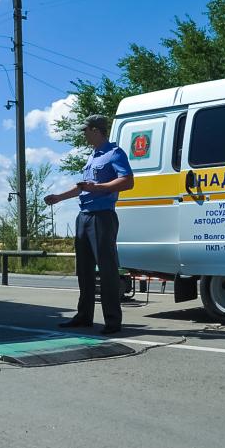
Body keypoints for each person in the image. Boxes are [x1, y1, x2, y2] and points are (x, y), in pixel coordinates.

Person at [45, 114, 134, 334]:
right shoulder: (92, 157)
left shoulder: (114, 153)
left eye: (85, 130)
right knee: (84, 270)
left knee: (107, 270)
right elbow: (84, 186)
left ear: (96, 130)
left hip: (102, 216)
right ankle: (84, 316)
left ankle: (112, 321)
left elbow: (127, 181)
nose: (83, 134)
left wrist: (98, 188)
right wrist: (59, 197)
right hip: (84, 216)